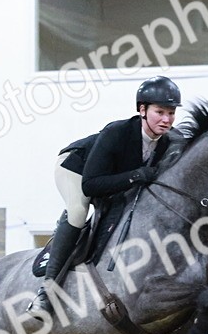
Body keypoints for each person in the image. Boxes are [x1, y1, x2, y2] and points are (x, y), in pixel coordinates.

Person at [29, 75, 181, 316]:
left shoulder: (171, 140)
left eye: (171, 113)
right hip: (76, 168)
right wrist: (135, 176)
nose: (167, 119)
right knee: (78, 213)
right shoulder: (117, 132)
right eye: (160, 112)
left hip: (112, 177)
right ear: (142, 110)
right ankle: (45, 293)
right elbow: (91, 186)